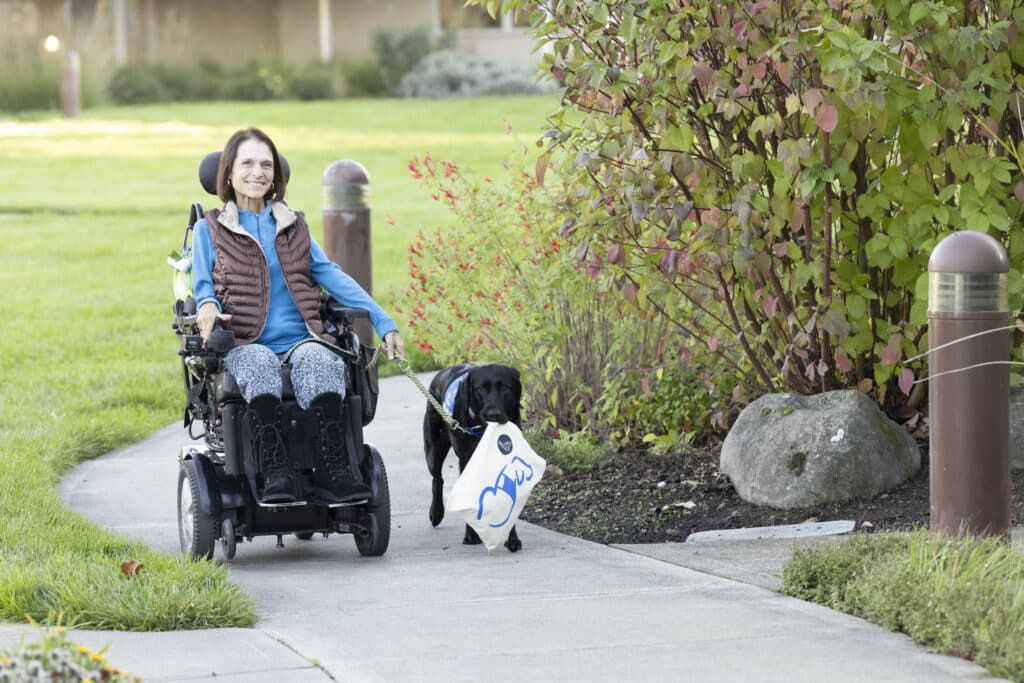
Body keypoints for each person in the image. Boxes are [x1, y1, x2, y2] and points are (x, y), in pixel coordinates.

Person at [191, 127, 404, 505]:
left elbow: (332, 275)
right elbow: (202, 285)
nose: (258, 172)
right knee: (258, 365)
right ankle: (275, 471)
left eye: (266, 165)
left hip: (301, 339)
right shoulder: (210, 229)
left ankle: (334, 471)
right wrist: (207, 306)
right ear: (228, 172)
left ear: (276, 175)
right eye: (248, 164)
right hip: (245, 341)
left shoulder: (293, 226)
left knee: (322, 362)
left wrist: (383, 320)